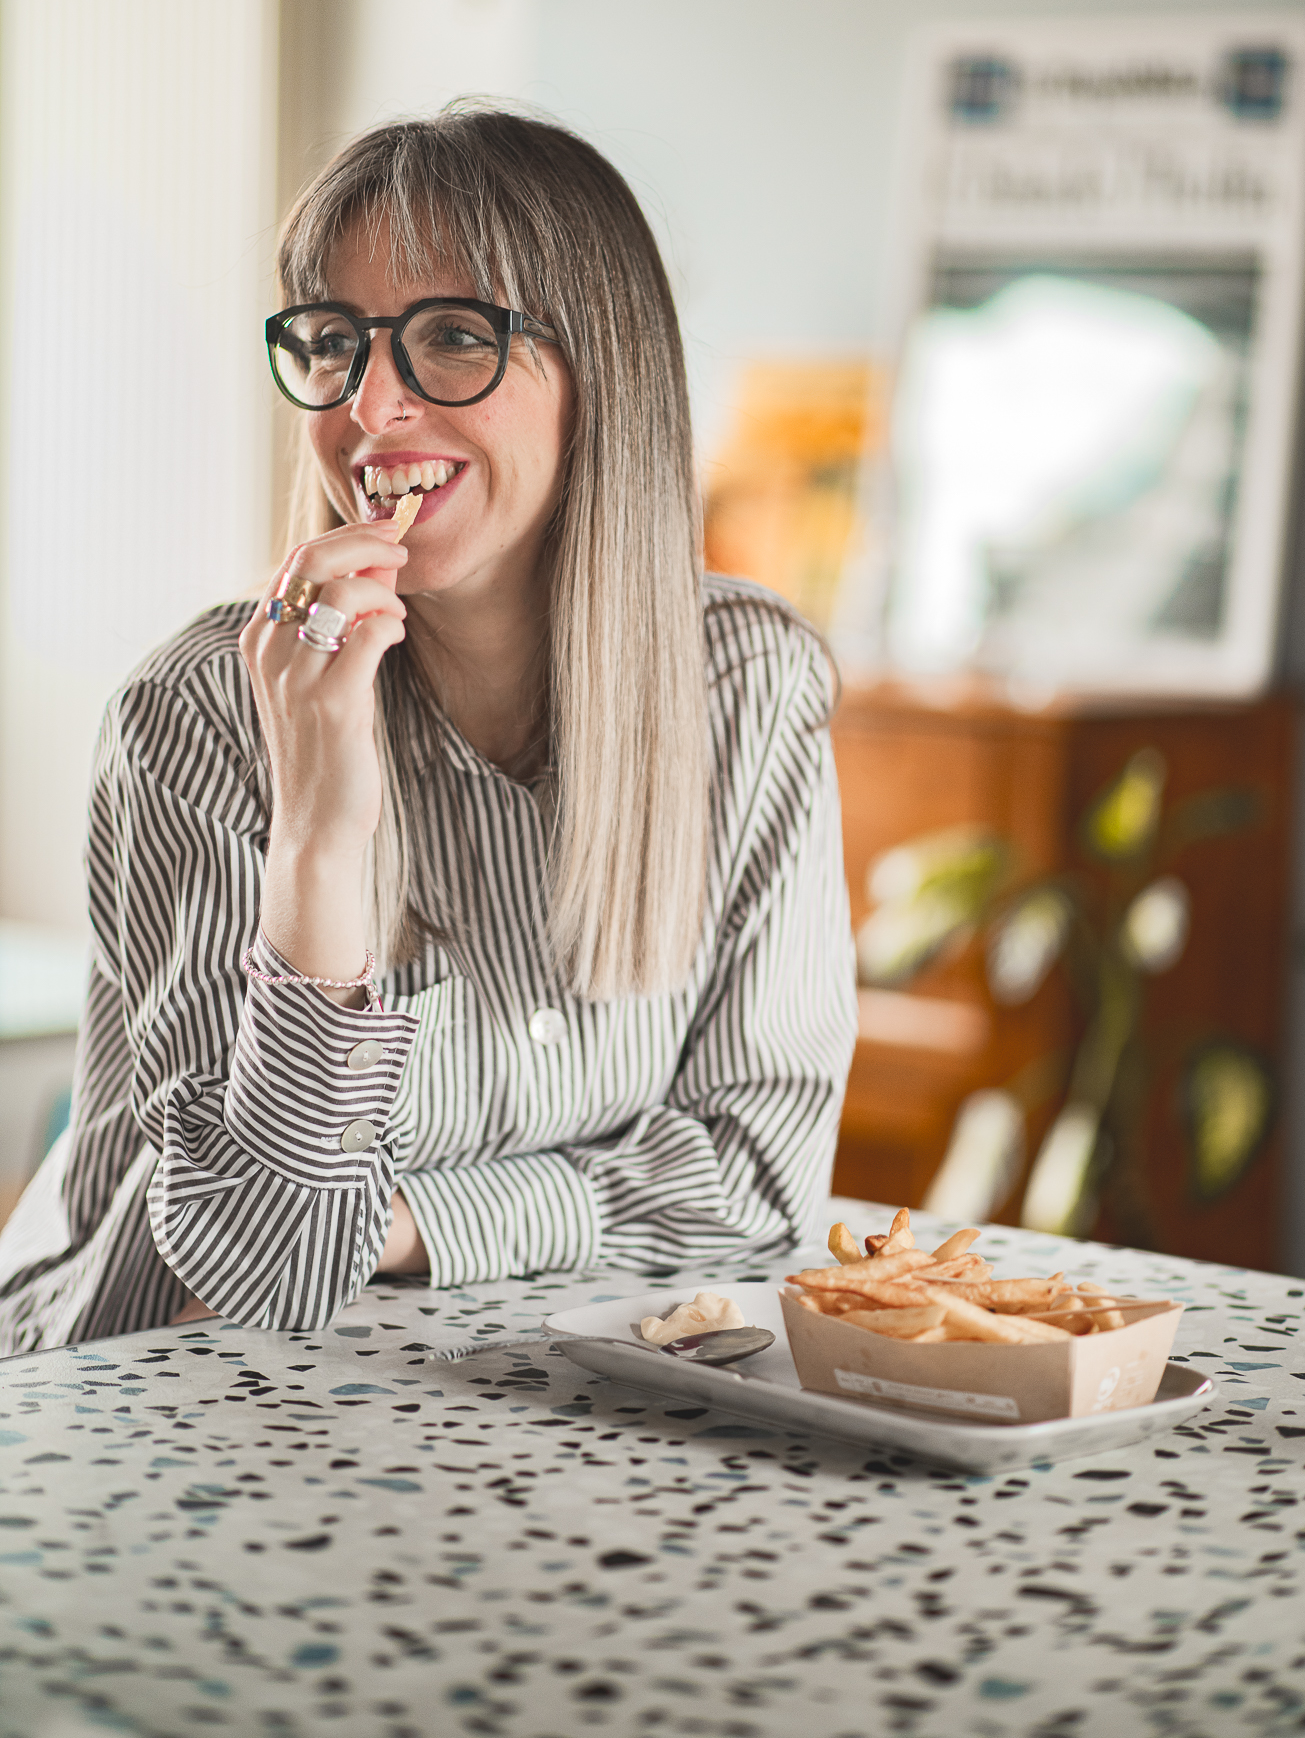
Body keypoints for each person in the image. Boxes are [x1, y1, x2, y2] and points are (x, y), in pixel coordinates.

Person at [0, 105, 857, 1353]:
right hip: (150, 1389)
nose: (371, 405)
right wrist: (319, 833)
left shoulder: (749, 683)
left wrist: (409, 1221)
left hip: (539, 1400)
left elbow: (758, 1175)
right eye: (334, 342)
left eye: (454, 335)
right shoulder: (201, 710)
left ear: (604, 375)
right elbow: (269, 1272)